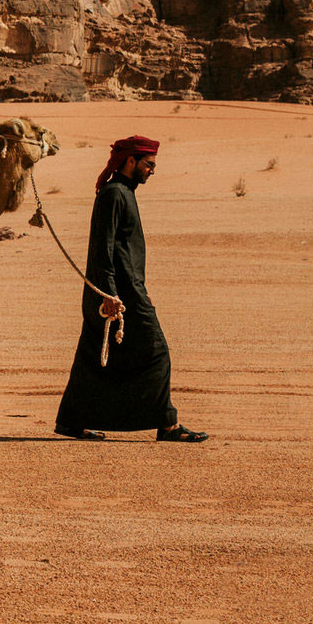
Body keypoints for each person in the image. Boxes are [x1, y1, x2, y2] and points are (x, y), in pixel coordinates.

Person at [54, 135, 209, 442]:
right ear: (131, 161)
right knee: (156, 351)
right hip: (117, 293)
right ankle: (167, 425)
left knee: (93, 357)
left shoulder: (123, 192)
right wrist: (110, 294)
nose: (152, 170)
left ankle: (72, 421)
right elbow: (103, 248)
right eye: (149, 164)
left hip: (122, 288)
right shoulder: (114, 194)